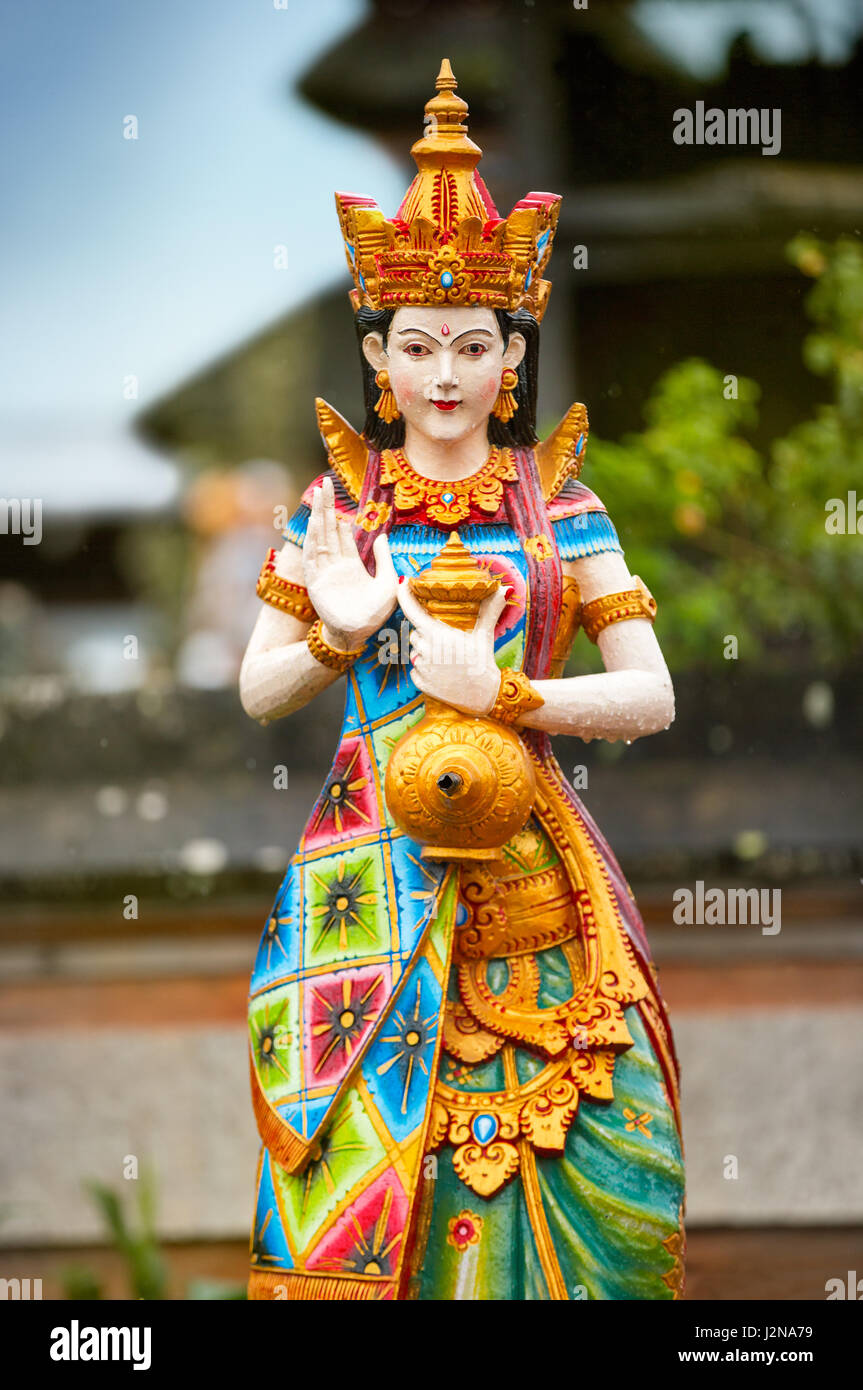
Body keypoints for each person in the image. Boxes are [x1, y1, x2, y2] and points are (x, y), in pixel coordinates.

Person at [240, 61, 684, 1301]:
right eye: (419, 346)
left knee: (612, 1176)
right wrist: (336, 633)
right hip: (370, 892)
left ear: (510, 358)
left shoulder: (562, 510)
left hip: (544, 891)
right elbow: (255, 689)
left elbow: (648, 695)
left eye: (474, 346)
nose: (446, 375)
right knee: (375, 1198)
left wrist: (505, 696)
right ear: (378, 358)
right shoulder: (336, 511)